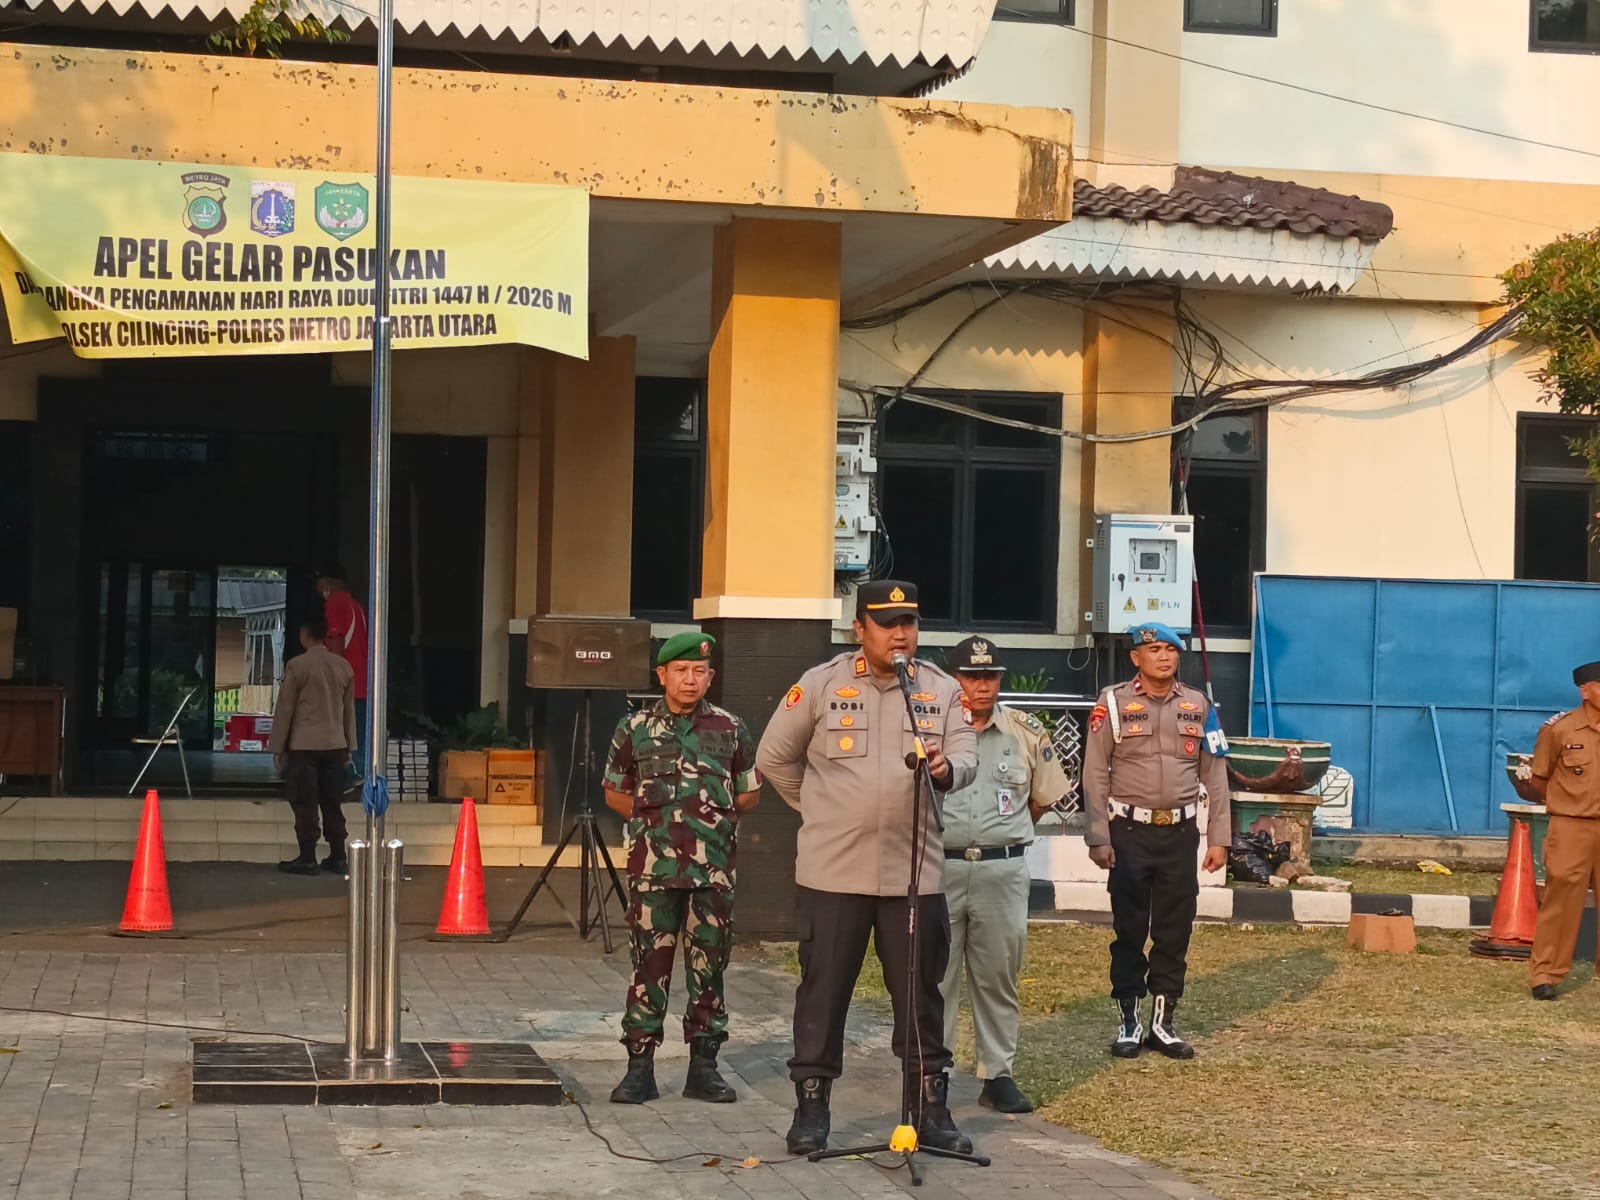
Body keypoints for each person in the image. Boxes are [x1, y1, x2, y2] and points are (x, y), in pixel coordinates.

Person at [756, 580, 978, 1157]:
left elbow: (966, 756)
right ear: (860, 629)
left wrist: (947, 770)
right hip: (833, 874)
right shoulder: (822, 684)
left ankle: (929, 1109)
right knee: (823, 993)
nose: (900, 633)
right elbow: (773, 757)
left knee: (920, 995)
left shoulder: (939, 689)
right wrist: (821, 809)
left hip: (914, 874)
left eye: (909, 622)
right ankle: (812, 1107)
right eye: (886, 623)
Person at [602, 632, 761, 1104]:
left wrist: (710, 821)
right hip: (653, 871)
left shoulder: (731, 728)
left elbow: (749, 793)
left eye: (699, 672)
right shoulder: (633, 728)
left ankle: (704, 1068)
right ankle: (639, 1068)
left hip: (711, 875)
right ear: (662, 676)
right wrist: (656, 819)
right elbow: (613, 791)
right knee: (648, 968)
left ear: (710, 676)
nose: (690, 680)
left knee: (709, 970)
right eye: (680, 671)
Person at [1082, 622, 1230, 1060]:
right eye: (1154, 650)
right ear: (1136, 658)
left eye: (1170, 650)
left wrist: (1219, 837)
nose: (1163, 657)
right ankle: (1128, 1020)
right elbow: (1093, 772)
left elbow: (1216, 774)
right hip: (1129, 831)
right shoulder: (1112, 702)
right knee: (1129, 928)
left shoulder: (1198, 704)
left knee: (1174, 928)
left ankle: (1162, 1023)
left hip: (1180, 833)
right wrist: (1097, 835)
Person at [939, 635, 1071, 1114]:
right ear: (953, 678)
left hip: (1002, 868)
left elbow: (1039, 799)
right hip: (940, 867)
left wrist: (1002, 834)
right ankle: (933, 1073)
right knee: (936, 976)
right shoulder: (931, 730)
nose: (982, 686)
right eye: (972, 676)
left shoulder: (1024, 731)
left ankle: (997, 1073)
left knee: (999, 975)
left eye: (990, 676)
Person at [1526, 659, 1600, 1000]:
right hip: (1572, 825)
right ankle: (1546, 975)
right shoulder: (1560, 729)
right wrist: (1571, 803)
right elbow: (1540, 778)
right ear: (1585, 691)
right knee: (1562, 901)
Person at [268, 615, 357, 875]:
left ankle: (307, 856)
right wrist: (350, 746)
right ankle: (338, 855)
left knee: (305, 800)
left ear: (305, 635)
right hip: (335, 744)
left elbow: (285, 709)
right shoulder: (344, 667)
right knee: (332, 800)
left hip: (304, 745)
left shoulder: (297, 666)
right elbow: (348, 711)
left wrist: (278, 747)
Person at [314, 563, 369, 788]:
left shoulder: (336, 603)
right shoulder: (356, 606)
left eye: (319, 582)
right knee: (355, 734)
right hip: (361, 682)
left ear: (327, 582)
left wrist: (331, 682)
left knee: (347, 736)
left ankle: (355, 777)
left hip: (348, 685)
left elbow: (336, 641)